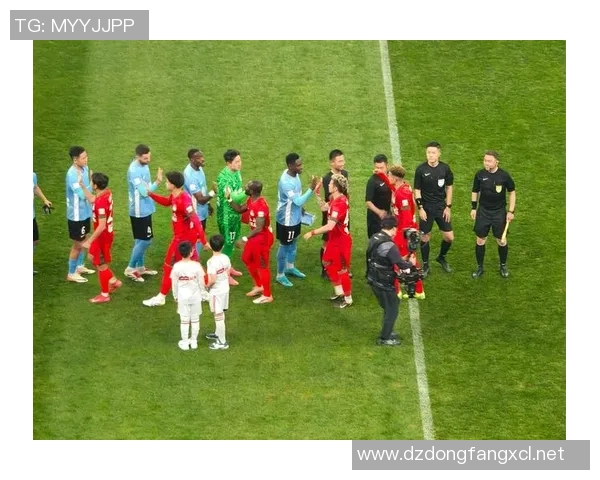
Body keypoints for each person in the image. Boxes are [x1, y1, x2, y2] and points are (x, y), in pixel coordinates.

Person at [142, 171, 209, 307]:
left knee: (168, 266)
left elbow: (195, 220)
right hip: (187, 237)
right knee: (195, 264)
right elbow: (167, 202)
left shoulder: (183, 200)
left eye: (167, 182)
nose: (166, 183)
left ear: (173, 184)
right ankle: (204, 292)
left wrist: (203, 240)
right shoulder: (176, 195)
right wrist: (151, 194)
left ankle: (161, 297)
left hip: (182, 239)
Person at [303, 173, 353, 308]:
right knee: (326, 262)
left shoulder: (339, 204)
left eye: (331, 183)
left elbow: (330, 226)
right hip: (334, 239)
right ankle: (339, 292)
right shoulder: (337, 199)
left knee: (342, 270)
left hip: (341, 241)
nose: (328, 184)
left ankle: (348, 299)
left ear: (336, 187)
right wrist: (317, 193)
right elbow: (324, 208)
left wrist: (312, 232)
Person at [366, 215, 416, 346]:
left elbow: (383, 257)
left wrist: (400, 258)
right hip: (384, 282)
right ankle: (385, 338)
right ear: (393, 228)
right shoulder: (389, 245)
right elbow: (402, 265)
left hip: (374, 278)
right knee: (392, 310)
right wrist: (410, 263)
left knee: (391, 306)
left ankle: (387, 331)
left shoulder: (374, 237)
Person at [275, 152, 321, 287]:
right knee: (285, 246)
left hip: (295, 217)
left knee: (294, 242)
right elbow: (297, 201)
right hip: (286, 220)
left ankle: (290, 267)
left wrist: (301, 209)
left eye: (301, 164)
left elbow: (297, 198)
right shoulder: (285, 182)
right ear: (290, 166)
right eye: (298, 165)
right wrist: (311, 189)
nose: (301, 167)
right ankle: (280, 275)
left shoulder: (294, 174)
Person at [381, 165, 425, 299]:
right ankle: (418, 291)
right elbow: (391, 185)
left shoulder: (402, 194)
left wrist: (402, 235)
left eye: (389, 175)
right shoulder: (402, 186)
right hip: (404, 230)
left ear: (395, 178)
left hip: (404, 232)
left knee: (397, 259)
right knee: (410, 260)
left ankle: (397, 291)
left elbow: (406, 218)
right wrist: (380, 174)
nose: (388, 178)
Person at [470, 150, 516, 278]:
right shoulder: (480, 175)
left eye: (489, 161)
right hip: (483, 211)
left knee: (501, 240)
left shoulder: (504, 176)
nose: (486, 163)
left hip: (499, 212)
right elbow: (475, 191)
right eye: (485, 160)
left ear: (496, 162)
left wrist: (511, 211)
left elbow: (512, 192)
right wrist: (473, 208)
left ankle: (503, 265)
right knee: (480, 240)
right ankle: (480, 267)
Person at [228, 180, 275, 304]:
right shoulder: (251, 200)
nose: (245, 187)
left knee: (262, 265)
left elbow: (259, 228)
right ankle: (259, 286)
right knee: (246, 258)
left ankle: (267, 295)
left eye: (247, 187)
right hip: (255, 237)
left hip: (262, 238)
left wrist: (244, 239)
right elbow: (239, 209)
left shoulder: (261, 206)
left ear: (252, 191)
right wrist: (229, 199)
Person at [78, 172, 123, 303]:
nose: (91, 183)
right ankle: (113, 281)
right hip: (103, 235)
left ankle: (105, 294)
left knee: (101, 264)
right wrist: (82, 185)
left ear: (96, 186)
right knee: (92, 257)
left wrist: (89, 241)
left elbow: (102, 225)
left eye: (91, 182)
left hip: (102, 236)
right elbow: (93, 199)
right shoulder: (106, 193)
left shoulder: (101, 204)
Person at [413, 141, 455, 276]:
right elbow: (417, 190)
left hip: (441, 207)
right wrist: (420, 208)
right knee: (425, 237)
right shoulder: (421, 169)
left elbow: (449, 187)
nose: (430, 155)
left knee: (449, 237)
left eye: (433, 153)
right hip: (426, 207)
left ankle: (441, 257)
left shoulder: (445, 169)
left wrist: (448, 206)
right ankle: (425, 265)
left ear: (439, 154)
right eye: (428, 152)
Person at [125, 144, 163, 282]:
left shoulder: (144, 165)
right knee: (146, 240)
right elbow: (143, 192)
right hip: (138, 211)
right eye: (145, 158)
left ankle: (140, 267)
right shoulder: (134, 170)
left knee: (140, 239)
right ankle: (130, 268)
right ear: (138, 156)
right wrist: (158, 181)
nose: (148, 160)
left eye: (149, 157)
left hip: (145, 208)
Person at [65, 145, 95, 283]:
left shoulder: (85, 168)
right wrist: (91, 185)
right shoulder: (72, 175)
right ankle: (71, 273)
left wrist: (88, 185)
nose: (86, 159)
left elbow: (86, 190)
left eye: (86, 156)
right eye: (83, 158)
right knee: (78, 244)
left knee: (84, 237)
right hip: (76, 215)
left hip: (85, 212)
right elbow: (82, 195)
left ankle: (80, 266)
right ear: (75, 159)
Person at [317, 149, 349, 279]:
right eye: (339, 161)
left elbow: (346, 193)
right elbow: (328, 200)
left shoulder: (345, 174)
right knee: (326, 242)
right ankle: (325, 269)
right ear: (332, 163)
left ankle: (342, 267)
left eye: (343, 160)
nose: (343, 163)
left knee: (341, 242)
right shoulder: (327, 179)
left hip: (343, 215)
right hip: (330, 215)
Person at [170, 241, 208, 350]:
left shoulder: (177, 267)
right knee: (195, 319)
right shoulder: (197, 266)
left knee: (184, 320)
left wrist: (175, 296)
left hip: (182, 298)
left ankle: (185, 342)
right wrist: (204, 294)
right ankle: (194, 341)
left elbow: (174, 284)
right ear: (191, 252)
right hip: (196, 297)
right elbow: (201, 283)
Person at [215, 149, 245, 285]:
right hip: (227, 217)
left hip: (235, 214)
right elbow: (233, 198)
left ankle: (228, 267)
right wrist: (248, 192)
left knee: (231, 242)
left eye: (240, 161)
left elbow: (237, 193)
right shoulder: (224, 179)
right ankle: (224, 275)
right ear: (228, 163)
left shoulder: (237, 172)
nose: (240, 164)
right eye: (236, 162)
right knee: (228, 243)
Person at [184, 148, 215, 255]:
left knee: (200, 236)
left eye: (202, 156)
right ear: (192, 160)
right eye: (199, 158)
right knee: (195, 238)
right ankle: (192, 260)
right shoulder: (190, 176)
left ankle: (192, 258)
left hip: (202, 210)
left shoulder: (199, 168)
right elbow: (200, 200)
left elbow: (203, 189)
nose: (202, 159)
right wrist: (213, 193)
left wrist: (208, 204)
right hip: (195, 212)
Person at [205, 234, 231, 350]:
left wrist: (207, 286)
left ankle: (222, 342)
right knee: (220, 313)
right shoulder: (226, 258)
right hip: (225, 288)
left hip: (216, 291)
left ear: (210, 246)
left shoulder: (211, 262)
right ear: (223, 246)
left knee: (218, 315)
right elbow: (228, 272)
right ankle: (217, 333)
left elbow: (213, 279)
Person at [365, 154, 392, 238]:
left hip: (388, 214)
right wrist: (379, 212)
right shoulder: (372, 181)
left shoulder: (391, 177)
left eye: (381, 168)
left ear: (387, 166)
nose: (379, 170)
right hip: (375, 219)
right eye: (377, 167)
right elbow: (368, 202)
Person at [33, 172, 53, 274]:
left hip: (31, 216)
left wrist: (44, 199)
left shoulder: (32, 175)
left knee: (34, 241)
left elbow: (35, 187)